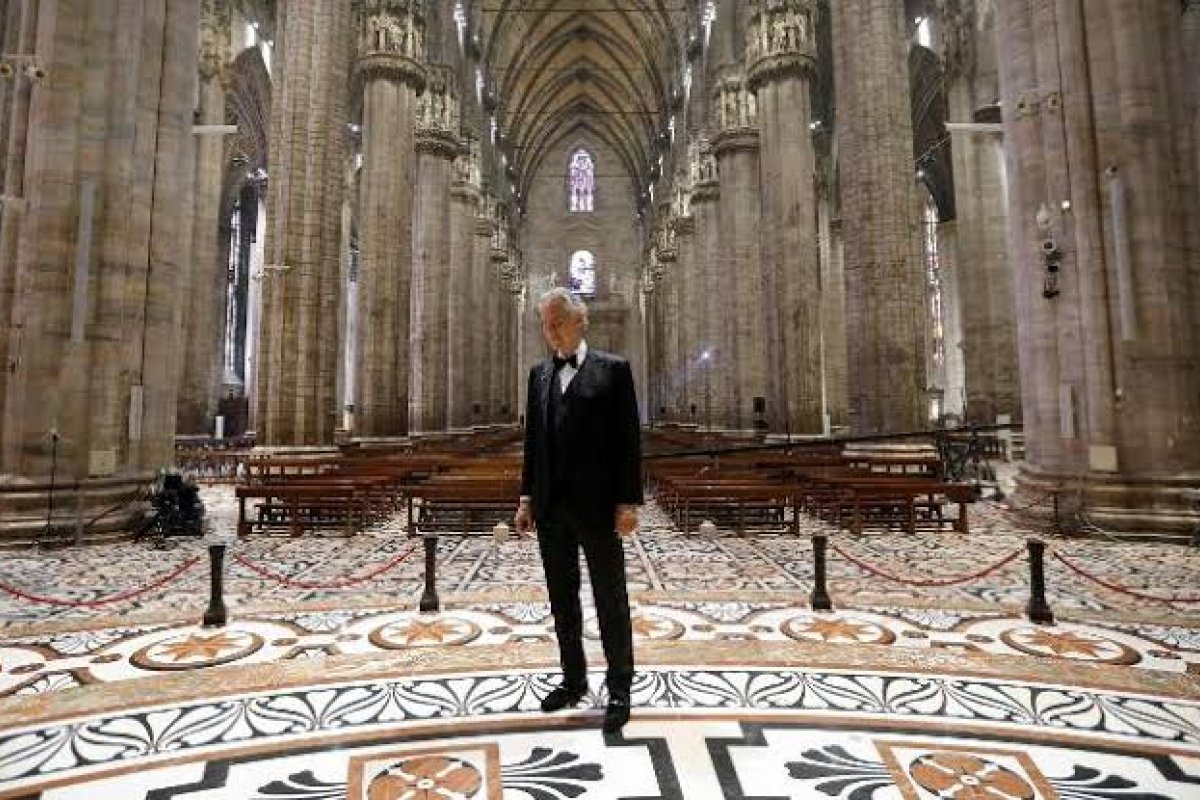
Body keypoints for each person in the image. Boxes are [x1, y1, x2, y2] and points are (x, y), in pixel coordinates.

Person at [515, 287, 642, 734]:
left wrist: (628, 502)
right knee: (562, 599)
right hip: (552, 509)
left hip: (598, 507)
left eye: (557, 322)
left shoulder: (614, 370)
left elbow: (628, 442)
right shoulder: (539, 376)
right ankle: (573, 679)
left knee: (610, 598)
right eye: (545, 324)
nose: (551, 331)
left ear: (579, 320)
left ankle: (620, 687)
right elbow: (533, 443)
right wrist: (527, 498)